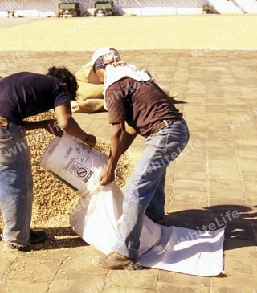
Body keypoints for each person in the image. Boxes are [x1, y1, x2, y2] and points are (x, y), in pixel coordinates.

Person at [0, 67, 97, 252]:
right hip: (0, 123)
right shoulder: (59, 87)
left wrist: (42, 124)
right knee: (15, 182)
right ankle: (17, 237)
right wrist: (85, 137)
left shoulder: (29, 81)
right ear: (66, 85)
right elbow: (65, 122)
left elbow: (10, 121)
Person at [90, 48, 190, 269]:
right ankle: (155, 219)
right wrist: (116, 156)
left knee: (135, 189)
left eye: (95, 75)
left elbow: (117, 132)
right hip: (177, 130)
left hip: (163, 135)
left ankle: (125, 253)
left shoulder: (114, 86)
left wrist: (111, 166)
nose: (97, 80)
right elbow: (132, 132)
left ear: (100, 70)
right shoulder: (137, 78)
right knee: (155, 171)